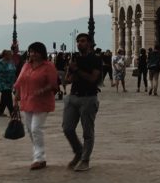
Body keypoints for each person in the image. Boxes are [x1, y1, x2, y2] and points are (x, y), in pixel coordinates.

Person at [13, 41, 59, 170]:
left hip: (42, 102)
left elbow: (53, 84)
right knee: (30, 129)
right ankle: (38, 154)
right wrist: (16, 96)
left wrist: (42, 90)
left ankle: (39, 158)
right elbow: (20, 81)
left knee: (36, 128)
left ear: (41, 53)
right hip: (27, 100)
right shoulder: (26, 65)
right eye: (30, 51)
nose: (32, 54)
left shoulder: (48, 66)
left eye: (35, 52)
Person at [62, 32, 102, 172]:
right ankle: (78, 151)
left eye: (83, 41)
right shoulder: (75, 59)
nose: (80, 43)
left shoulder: (96, 59)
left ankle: (85, 159)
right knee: (67, 128)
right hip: (73, 96)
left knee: (87, 131)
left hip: (88, 97)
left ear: (90, 43)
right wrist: (70, 71)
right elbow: (68, 80)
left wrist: (77, 70)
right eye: (78, 41)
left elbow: (93, 79)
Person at [0, 49, 18, 117]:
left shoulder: (11, 62)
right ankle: (12, 112)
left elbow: (14, 73)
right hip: (1, 82)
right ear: (5, 55)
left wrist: (17, 82)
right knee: (7, 95)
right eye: (9, 54)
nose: (11, 55)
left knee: (5, 97)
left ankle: (0, 112)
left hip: (10, 83)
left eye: (11, 54)